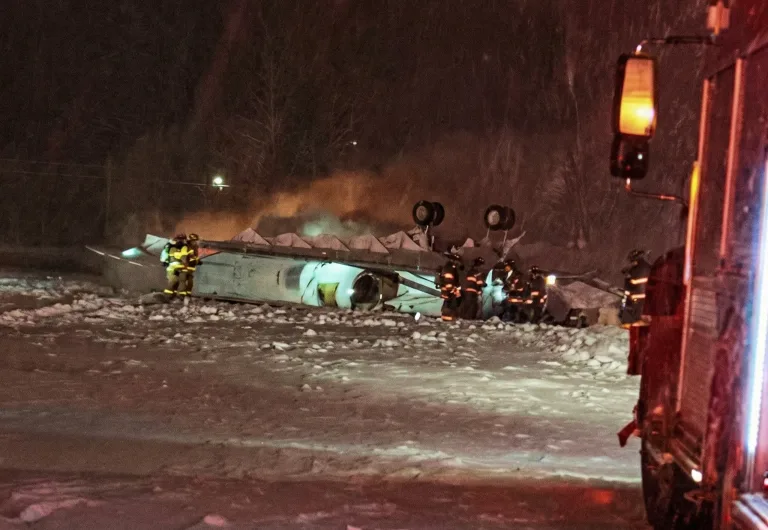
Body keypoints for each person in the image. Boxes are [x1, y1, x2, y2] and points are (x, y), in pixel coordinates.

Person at [620, 249, 651, 327]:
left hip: (637, 297)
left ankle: (630, 326)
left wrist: (628, 274)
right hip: (646, 296)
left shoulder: (636, 270)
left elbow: (632, 283)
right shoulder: (648, 267)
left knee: (633, 315)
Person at [437, 253, 463, 322]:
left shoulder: (450, 267)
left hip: (450, 292)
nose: (458, 263)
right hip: (449, 292)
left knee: (449, 306)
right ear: (454, 260)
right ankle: (448, 321)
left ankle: (447, 320)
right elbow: (448, 281)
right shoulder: (450, 268)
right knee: (449, 307)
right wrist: (450, 291)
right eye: (458, 261)